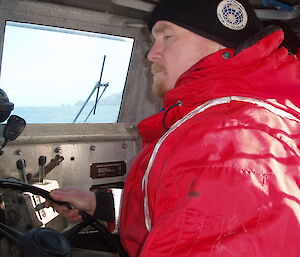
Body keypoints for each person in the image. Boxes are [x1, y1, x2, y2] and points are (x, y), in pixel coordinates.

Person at [47, 0, 300, 256]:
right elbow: (180, 209)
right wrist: (100, 205)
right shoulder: (223, 122)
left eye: (167, 36)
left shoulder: (226, 140)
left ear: (219, 42)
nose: (152, 54)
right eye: (153, 41)